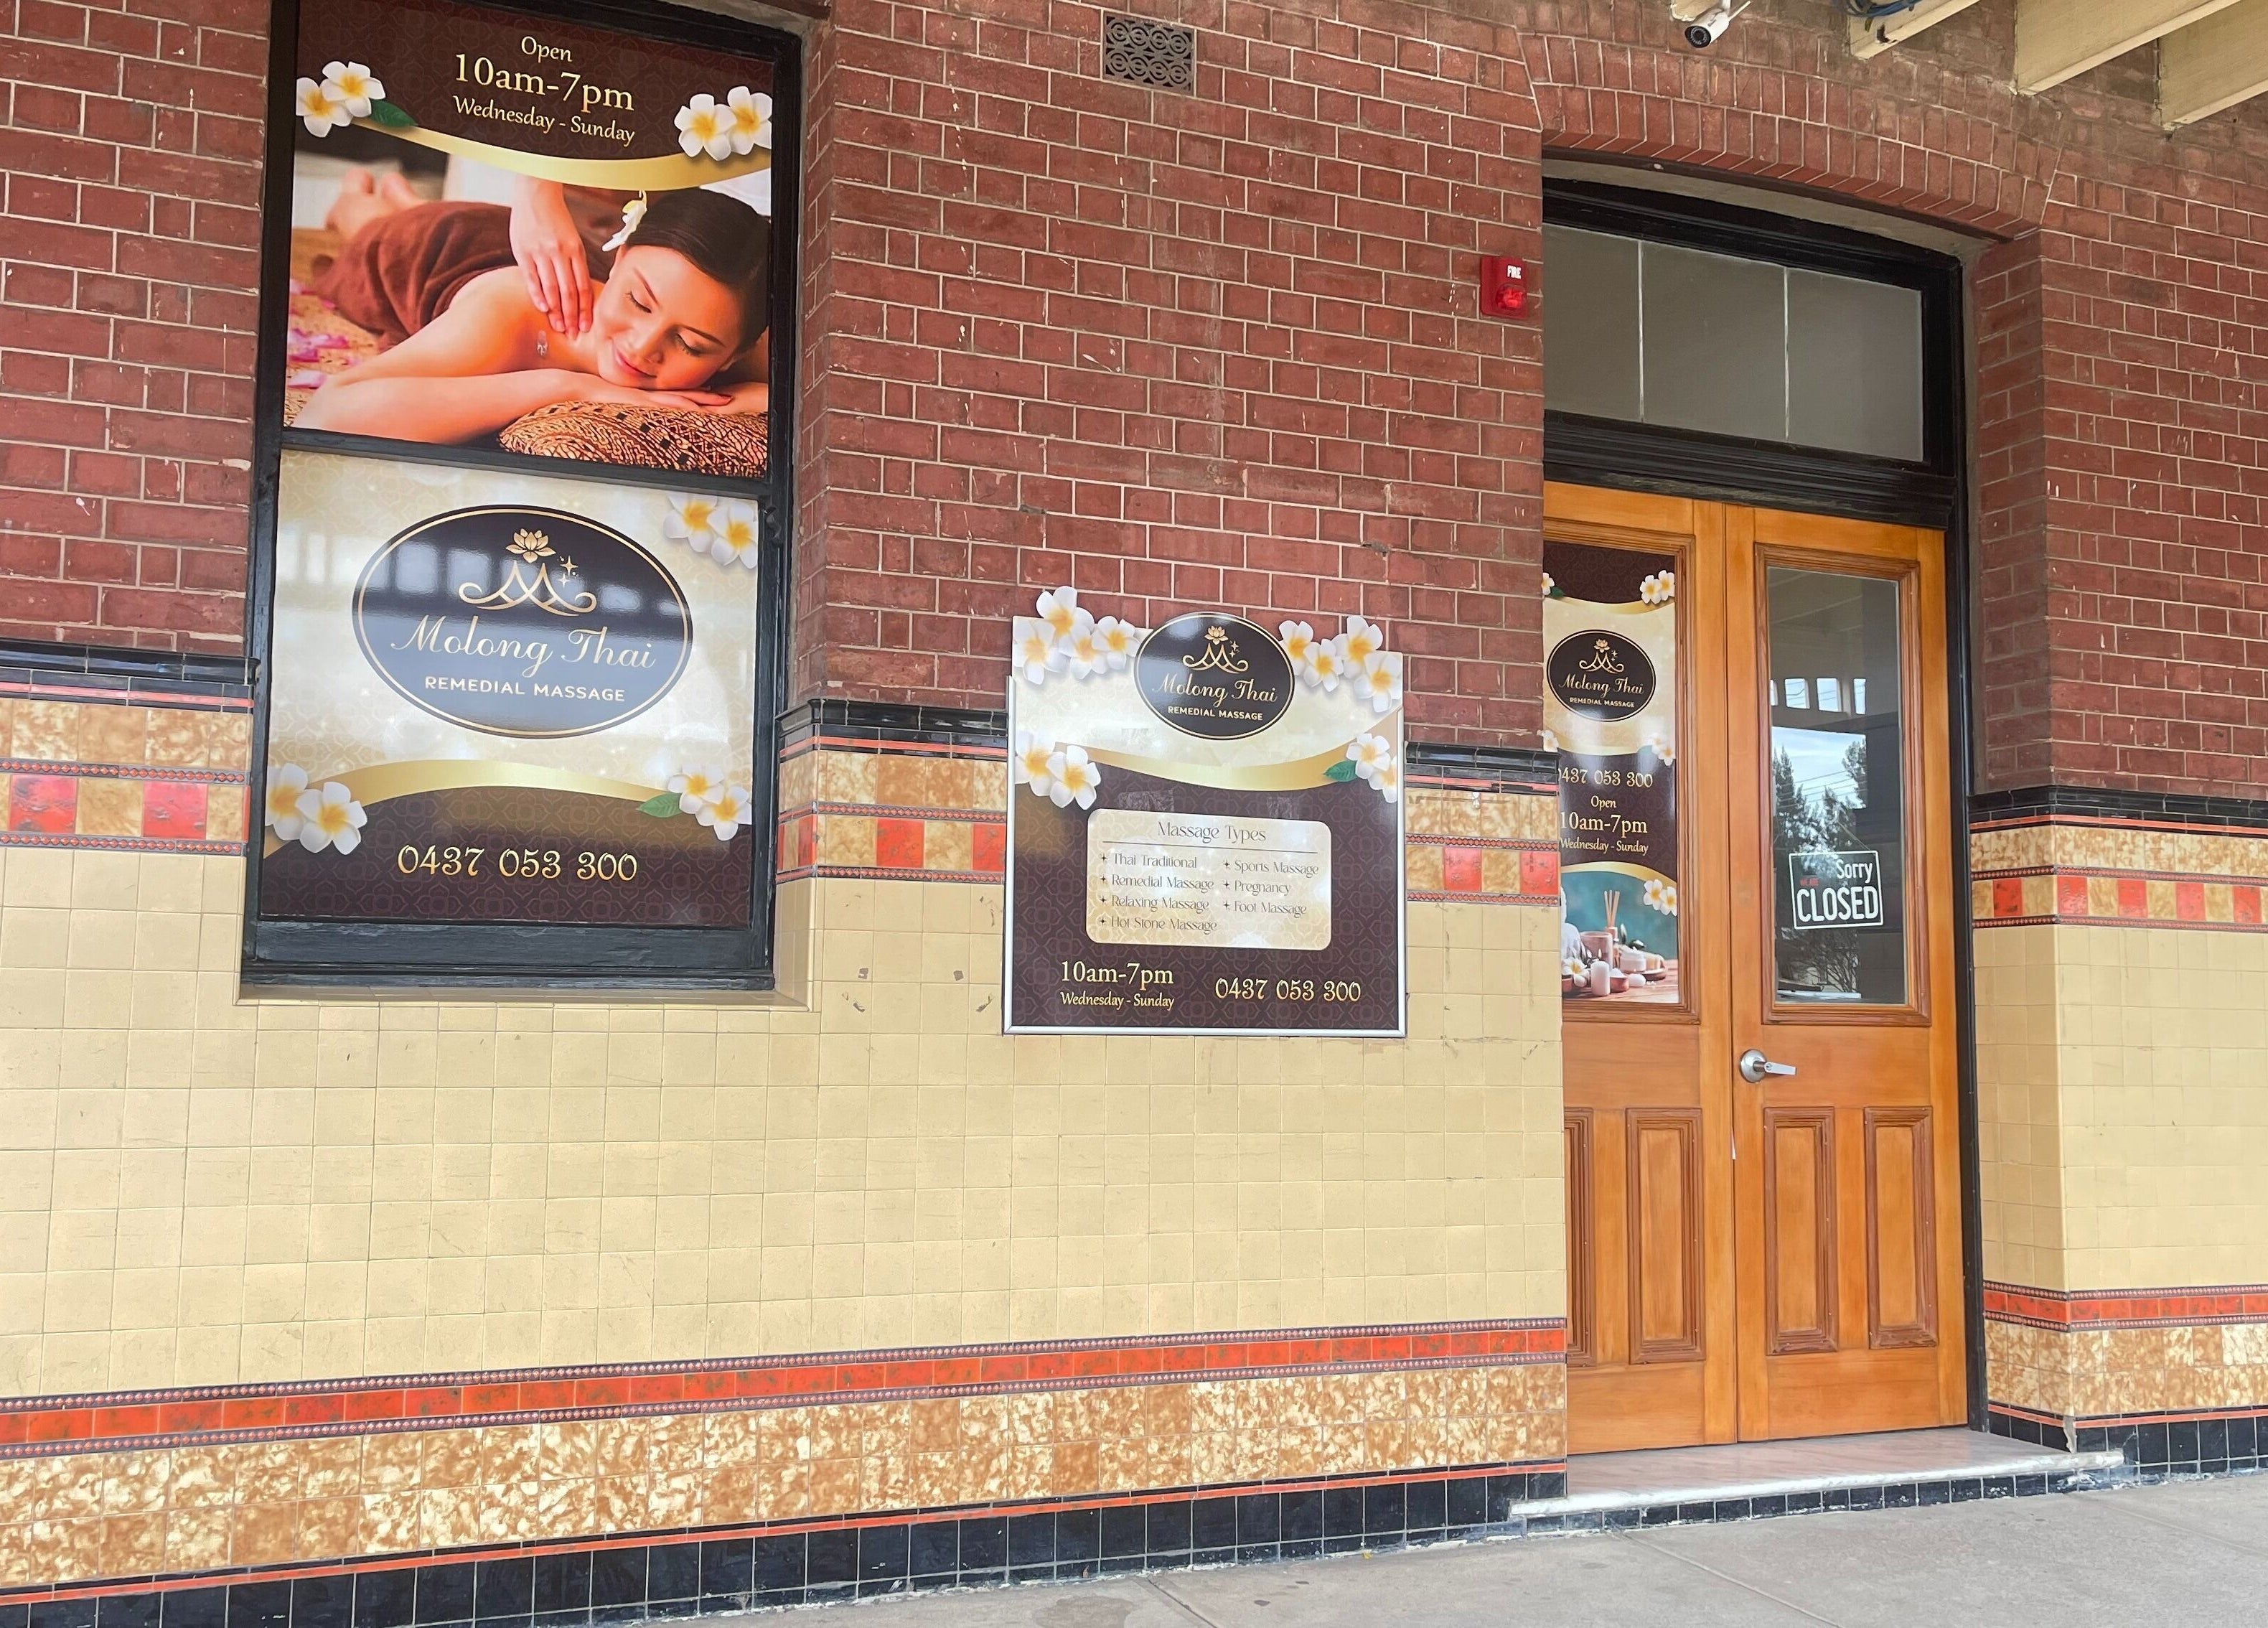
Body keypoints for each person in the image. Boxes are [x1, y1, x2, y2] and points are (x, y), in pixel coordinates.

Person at [296, 174, 771, 444]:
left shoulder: (737, 322)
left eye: (689, 344)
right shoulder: (512, 318)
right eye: (638, 301)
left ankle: (404, 196)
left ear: (734, 355)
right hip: (438, 246)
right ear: (620, 259)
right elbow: (328, 414)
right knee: (374, 230)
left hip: (536, 250)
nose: (643, 347)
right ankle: (357, 202)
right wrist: (570, 386)